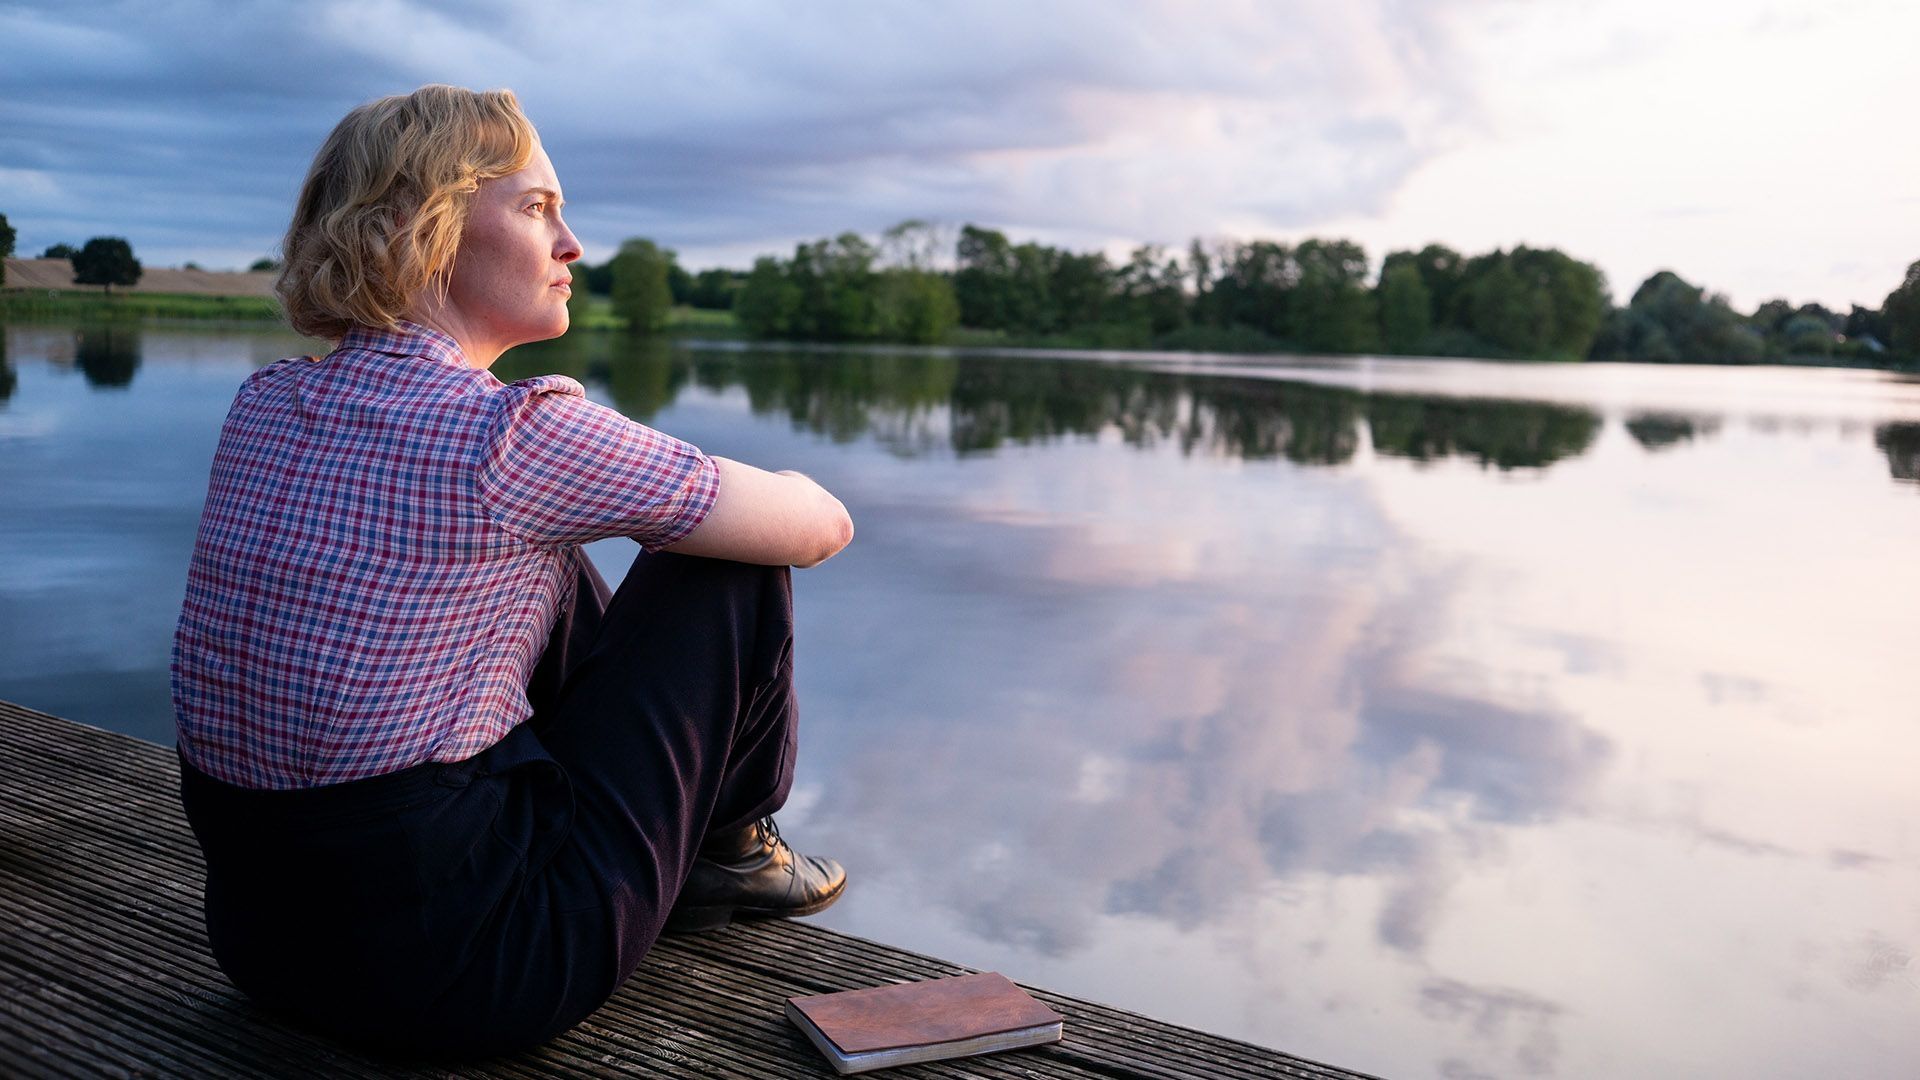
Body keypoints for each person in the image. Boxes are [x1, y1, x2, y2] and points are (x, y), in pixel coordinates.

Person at [169, 84, 853, 1059]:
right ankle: (730, 854)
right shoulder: (514, 436)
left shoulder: (266, 403)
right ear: (427, 226)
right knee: (727, 562)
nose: (574, 244)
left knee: (551, 551)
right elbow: (820, 528)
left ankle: (695, 854)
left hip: (261, 944)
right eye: (539, 209)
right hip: (470, 976)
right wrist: (773, 483)